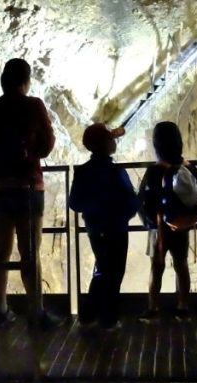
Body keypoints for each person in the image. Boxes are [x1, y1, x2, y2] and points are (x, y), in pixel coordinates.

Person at [0, 58, 59, 328]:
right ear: (26, 81)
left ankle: (0, 310)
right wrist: (32, 152)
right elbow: (48, 144)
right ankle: (35, 312)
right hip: (27, 186)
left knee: (0, 251)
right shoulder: (33, 105)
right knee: (29, 253)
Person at [68, 123, 138, 329]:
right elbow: (130, 201)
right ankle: (107, 317)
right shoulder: (116, 171)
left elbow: (74, 203)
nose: (114, 141)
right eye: (111, 139)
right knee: (114, 271)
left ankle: (89, 314)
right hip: (116, 227)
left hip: (95, 228)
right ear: (106, 144)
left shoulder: (82, 172)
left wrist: (95, 208)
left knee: (103, 268)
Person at [137, 121, 197, 322]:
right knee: (181, 264)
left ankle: (153, 308)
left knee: (157, 266)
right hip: (182, 225)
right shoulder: (189, 167)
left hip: (159, 227)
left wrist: (148, 221)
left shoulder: (155, 170)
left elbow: (143, 199)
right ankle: (183, 307)